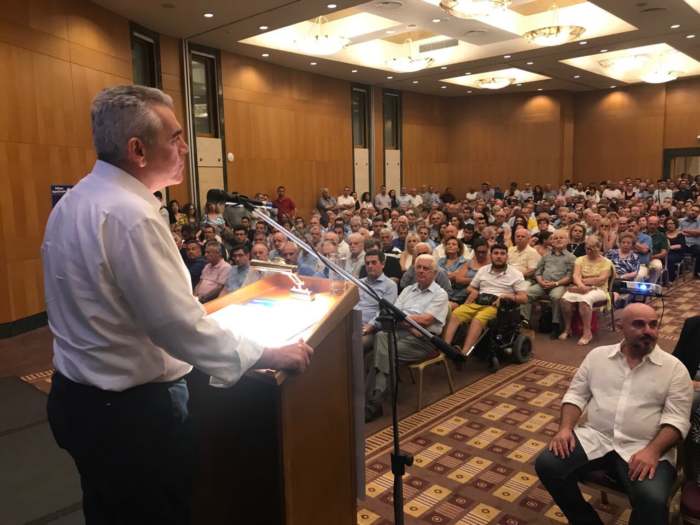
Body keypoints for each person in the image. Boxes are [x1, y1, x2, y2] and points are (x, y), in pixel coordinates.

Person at [41, 86, 313, 524]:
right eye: (175, 137)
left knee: (107, 511)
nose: (186, 147)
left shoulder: (74, 200)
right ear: (137, 150)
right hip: (130, 418)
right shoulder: (131, 216)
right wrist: (268, 354)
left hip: (78, 401)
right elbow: (177, 327)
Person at [535, 303, 693, 525]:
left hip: (644, 446)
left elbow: (677, 420)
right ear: (620, 326)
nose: (648, 331)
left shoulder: (674, 369)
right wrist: (565, 429)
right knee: (547, 465)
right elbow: (576, 395)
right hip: (596, 437)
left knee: (652, 499)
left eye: (653, 325)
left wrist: (653, 451)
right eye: (639, 324)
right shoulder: (597, 357)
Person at [365, 255, 449, 421]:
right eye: (418, 267)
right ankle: (375, 401)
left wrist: (402, 319)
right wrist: (411, 325)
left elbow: (426, 320)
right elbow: (391, 314)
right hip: (404, 333)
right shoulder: (407, 290)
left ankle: (373, 402)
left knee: (375, 355)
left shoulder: (440, 294)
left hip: (423, 341)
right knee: (381, 337)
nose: (421, 271)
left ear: (434, 273)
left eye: (426, 268)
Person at [443, 244, 528, 356]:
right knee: (456, 314)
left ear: (507, 256)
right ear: (491, 256)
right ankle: (445, 349)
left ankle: (464, 353)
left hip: (497, 306)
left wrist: (507, 296)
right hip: (479, 301)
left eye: (502, 254)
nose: (499, 256)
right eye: (496, 253)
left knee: (478, 319)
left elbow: (524, 298)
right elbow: (470, 287)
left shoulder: (516, 274)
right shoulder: (483, 270)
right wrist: (473, 291)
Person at [559, 235, 612, 346]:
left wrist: (585, 281)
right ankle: (567, 328)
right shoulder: (580, 260)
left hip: (599, 289)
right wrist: (581, 285)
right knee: (565, 299)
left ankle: (587, 333)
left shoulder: (607, 262)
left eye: (592, 248)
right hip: (581, 287)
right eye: (587, 248)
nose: (589, 250)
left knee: (585, 300)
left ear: (599, 247)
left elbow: (601, 279)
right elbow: (576, 276)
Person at [522, 230, 575, 337]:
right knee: (526, 294)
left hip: (559, 285)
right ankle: (524, 322)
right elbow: (538, 272)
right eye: (555, 238)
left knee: (555, 296)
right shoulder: (546, 256)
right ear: (552, 242)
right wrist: (540, 281)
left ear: (567, 241)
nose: (558, 240)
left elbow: (569, 277)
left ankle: (555, 325)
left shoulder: (571, 258)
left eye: (561, 238)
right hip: (542, 284)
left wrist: (555, 283)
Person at [356, 249, 398, 353]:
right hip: (352, 324)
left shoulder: (390, 285)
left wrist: (371, 325)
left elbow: (385, 312)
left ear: (382, 264)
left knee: (355, 344)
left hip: (371, 329)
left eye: (374, 262)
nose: (370, 266)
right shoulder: (358, 283)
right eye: (367, 263)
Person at [680, 205, 700, 277]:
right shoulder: (681, 221)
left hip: (695, 244)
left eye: (696, 211)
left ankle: (696, 272)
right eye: (692, 210)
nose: (693, 212)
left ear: (698, 214)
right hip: (683, 243)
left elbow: (698, 232)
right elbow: (678, 232)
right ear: (689, 210)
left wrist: (685, 230)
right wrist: (693, 233)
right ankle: (679, 271)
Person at [665, 217, 686, 282]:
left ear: (675, 224)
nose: (669, 225)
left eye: (671, 223)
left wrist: (670, 247)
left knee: (669, 259)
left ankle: (670, 279)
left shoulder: (680, 234)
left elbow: (681, 246)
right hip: (666, 252)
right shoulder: (664, 234)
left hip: (677, 253)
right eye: (668, 224)